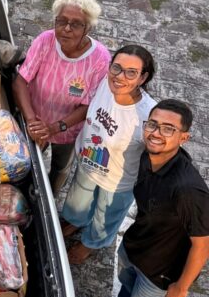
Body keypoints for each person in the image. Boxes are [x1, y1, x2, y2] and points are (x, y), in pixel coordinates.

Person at [79, 99, 209, 297]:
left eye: (168, 129)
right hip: (135, 247)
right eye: (153, 124)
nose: (156, 133)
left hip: (161, 273)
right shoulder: (148, 158)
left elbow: (202, 245)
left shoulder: (188, 190)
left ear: (183, 137)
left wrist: (182, 286)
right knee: (126, 285)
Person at [62, 45, 157, 264]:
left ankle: (90, 244)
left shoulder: (148, 115)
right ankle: (78, 221)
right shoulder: (104, 84)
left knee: (105, 218)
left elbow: (157, 152)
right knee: (78, 203)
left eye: (131, 73)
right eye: (117, 68)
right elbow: (88, 107)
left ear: (143, 78)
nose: (120, 77)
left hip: (117, 182)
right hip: (88, 163)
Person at [13, 0, 111, 194]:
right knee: (26, 161)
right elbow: (21, 80)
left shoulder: (100, 59)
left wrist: (55, 128)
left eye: (75, 24)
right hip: (36, 120)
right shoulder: (45, 41)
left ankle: (52, 194)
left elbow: (89, 105)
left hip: (68, 128)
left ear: (88, 28)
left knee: (60, 167)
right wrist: (33, 122)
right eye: (62, 21)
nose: (66, 29)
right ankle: (26, 194)